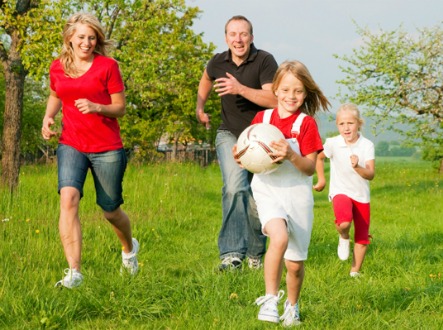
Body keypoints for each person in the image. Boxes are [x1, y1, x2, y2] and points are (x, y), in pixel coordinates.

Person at [41, 13, 139, 288]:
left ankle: (129, 249)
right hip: (71, 143)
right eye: (81, 37)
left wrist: (98, 107)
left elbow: (120, 107)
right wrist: (48, 117)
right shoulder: (57, 67)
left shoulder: (107, 66)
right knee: (68, 198)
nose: (86, 42)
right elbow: (56, 95)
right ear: (70, 38)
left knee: (110, 210)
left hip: (106, 146)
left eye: (91, 37)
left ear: (97, 40)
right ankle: (74, 272)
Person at [234, 60, 330, 326]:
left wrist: (290, 155)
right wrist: (241, 156)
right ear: (275, 89)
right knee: (278, 237)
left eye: (298, 91)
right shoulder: (261, 119)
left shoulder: (306, 124)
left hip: (297, 196)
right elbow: (248, 153)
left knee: (295, 265)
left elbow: (309, 168)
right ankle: (269, 299)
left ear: (305, 93)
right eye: (285, 90)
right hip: (268, 191)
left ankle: (292, 305)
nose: (291, 96)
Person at [195, 15, 278, 271]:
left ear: (251, 37)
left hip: (261, 137)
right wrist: (200, 107)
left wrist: (240, 88)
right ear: (226, 38)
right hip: (229, 133)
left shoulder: (264, 60)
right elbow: (206, 78)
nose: (238, 39)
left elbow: (274, 100)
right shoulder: (218, 61)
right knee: (234, 187)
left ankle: (255, 252)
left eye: (243, 34)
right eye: (233, 34)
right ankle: (231, 255)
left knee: (256, 198)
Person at [314, 103, 375, 278]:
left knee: (362, 238)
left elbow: (371, 174)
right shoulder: (333, 143)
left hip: (361, 196)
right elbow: (319, 158)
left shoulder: (367, 145)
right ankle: (344, 236)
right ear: (337, 125)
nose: (346, 128)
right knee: (345, 222)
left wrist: (357, 167)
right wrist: (322, 179)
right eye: (342, 124)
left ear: (359, 124)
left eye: (350, 123)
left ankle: (354, 274)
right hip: (340, 191)